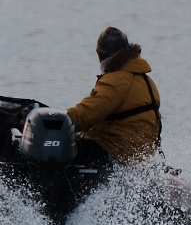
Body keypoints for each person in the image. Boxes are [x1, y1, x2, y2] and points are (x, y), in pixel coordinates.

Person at [67, 26, 161, 166]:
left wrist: (57, 120)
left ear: (101, 55)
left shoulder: (118, 80)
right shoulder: (146, 80)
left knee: (61, 150)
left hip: (115, 150)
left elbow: (86, 115)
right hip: (139, 154)